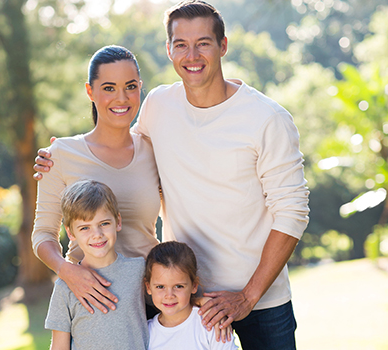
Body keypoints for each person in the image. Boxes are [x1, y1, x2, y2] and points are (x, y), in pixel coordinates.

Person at [34, 1, 310, 348]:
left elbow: (293, 212)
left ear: (223, 46)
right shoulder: (160, 107)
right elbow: (117, 142)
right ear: (169, 50)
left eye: (203, 43)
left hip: (258, 299)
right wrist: (62, 153)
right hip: (178, 296)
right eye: (181, 44)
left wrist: (248, 297)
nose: (191, 55)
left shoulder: (267, 118)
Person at [31, 45, 161, 315]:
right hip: (92, 299)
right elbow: (43, 234)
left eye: (131, 86)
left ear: (140, 88)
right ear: (90, 91)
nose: (122, 98)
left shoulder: (154, 149)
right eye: (109, 88)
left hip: (152, 301)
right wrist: (68, 273)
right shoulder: (62, 155)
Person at [45, 179, 148, 350]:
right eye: (85, 228)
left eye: (104, 224)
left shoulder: (139, 270)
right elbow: (59, 346)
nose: (97, 234)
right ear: (70, 232)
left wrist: (199, 300)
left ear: (118, 222)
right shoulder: (65, 287)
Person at [145, 241, 239, 350]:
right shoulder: (146, 332)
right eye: (160, 287)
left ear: (194, 285)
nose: (169, 295)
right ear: (148, 287)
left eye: (178, 286)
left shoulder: (210, 323)